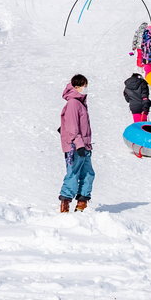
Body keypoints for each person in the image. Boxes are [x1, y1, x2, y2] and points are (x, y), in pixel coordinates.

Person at [59, 74, 94, 212]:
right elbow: (73, 126)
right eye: (84, 86)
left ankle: (82, 202)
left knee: (88, 173)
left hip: (84, 145)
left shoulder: (80, 103)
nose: (85, 88)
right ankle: (65, 202)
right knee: (73, 173)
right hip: (76, 146)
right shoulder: (73, 103)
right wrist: (78, 143)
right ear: (76, 87)